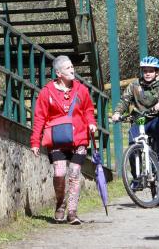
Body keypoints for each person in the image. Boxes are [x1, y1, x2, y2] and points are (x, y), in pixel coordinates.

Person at [30, 55, 98, 225]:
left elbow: (88, 109)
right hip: (56, 140)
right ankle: (60, 203)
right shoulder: (46, 92)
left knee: (75, 172)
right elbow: (39, 118)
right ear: (58, 73)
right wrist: (35, 142)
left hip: (79, 137)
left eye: (72, 67)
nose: (72, 70)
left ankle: (72, 212)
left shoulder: (81, 90)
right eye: (68, 68)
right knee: (59, 173)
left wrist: (91, 123)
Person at [110, 56, 159, 173]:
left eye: (151, 71)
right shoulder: (134, 85)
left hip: (157, 118)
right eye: (145, 71)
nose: (147, 74)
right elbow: (124, 101)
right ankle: (136, 176)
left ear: (157, 72)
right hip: (140, 119)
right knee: (132, 145)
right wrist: (117, 112)